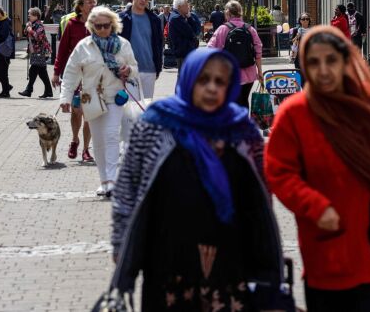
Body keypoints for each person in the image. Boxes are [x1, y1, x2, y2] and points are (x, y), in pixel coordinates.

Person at [264, 26, 370, 311]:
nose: (324, 70)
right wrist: (315, 206)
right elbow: (279, 172)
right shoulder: (295, 113)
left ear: (345, 61)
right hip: (331, 237)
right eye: (314, 63)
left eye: (331, 60)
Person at [111, 48, 289, 311]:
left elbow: (261, 201)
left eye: (220, 81)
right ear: (189, 80)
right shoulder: (155, 125)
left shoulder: (243, 131)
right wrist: (120, 244)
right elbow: (128, 187)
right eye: (203, 79)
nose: (211, 88)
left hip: (231, 261)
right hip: (169, 261)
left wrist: (267, 265)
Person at [59, 6, 139, 197]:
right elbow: (71, 73)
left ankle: (112, 180)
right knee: (99, 139)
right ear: (91, 26)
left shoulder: (123, 44)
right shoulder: (83, 46)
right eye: (98, 26)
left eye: (106, 25)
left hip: (115, 97)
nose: (103, 29)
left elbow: (135, 67)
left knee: (111, 135)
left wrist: (129, 70)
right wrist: (65, 98)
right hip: (91, 98)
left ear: (113, 25)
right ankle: (103, 180)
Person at [53, 0, 97, 162]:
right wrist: (57, 72)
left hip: (93, 76)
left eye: (94, 2)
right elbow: (63, 50)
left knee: (90, 113)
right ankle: (74, 140)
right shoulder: (72, 24)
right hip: (75, 75)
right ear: (80, 6)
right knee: (76, 112)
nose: (92, 5)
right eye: (89, 2)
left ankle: (86, 149)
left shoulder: (100, 24)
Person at [207, 0, 263, 108]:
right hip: (249, 72)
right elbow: (258, 50)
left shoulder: (222, 29)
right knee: (244, 100)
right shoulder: (250, 29)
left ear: (227, 13)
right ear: (240, 12)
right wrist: (259, 71)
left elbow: (210, 49)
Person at [119, 0, 163, 99]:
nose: (144, 0)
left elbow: (159, 44)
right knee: (131, 110)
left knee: (146, 109)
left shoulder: (155, 20)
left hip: (150, 69)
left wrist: (158, 67)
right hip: (128, 70)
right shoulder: (121, 18)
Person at [19, 7, 53, 98]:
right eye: (29, 14)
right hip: (35, 51)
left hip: (40, 51)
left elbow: (38, 37)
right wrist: (27, 28)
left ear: (36, 16)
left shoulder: (39, 25)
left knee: (33, 70)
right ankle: (49, 91)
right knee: (42, 72)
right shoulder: (32, 24)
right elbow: (26, 34)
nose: (29, 16)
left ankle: (28, 90)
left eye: (30, 14)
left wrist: (30, 30)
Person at [168, 0, 201, 71]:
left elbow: (195, 31)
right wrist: (189, 18)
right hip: (183, 52)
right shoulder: (176, 18)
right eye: (186, 5)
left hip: (185, 52)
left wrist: (189, 17)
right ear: (179, 7)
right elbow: (192, 33)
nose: (188, 7)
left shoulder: (180, 17)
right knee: (184, 77)